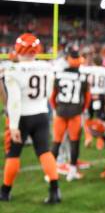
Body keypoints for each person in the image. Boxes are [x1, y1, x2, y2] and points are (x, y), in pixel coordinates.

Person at [0, 34, 60, 203]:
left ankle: (5, 191)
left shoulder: (13, 69)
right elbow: (48, 93)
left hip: (22, 117)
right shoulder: (46, 66)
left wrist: (13, 125)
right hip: (41, 113)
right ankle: (55, 191)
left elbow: (14, 101)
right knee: (45, 152)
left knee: (13, 154)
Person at [50, 49, 91, 181]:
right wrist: (81, 109)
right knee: (74, 142)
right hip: (75, 113)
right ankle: (72, 170)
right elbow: (87, 98)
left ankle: (49, 172)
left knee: (56, 141)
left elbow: (52, 97)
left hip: (61, 112)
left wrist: (56, 108)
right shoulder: (83, 77)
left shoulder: (59, 75)